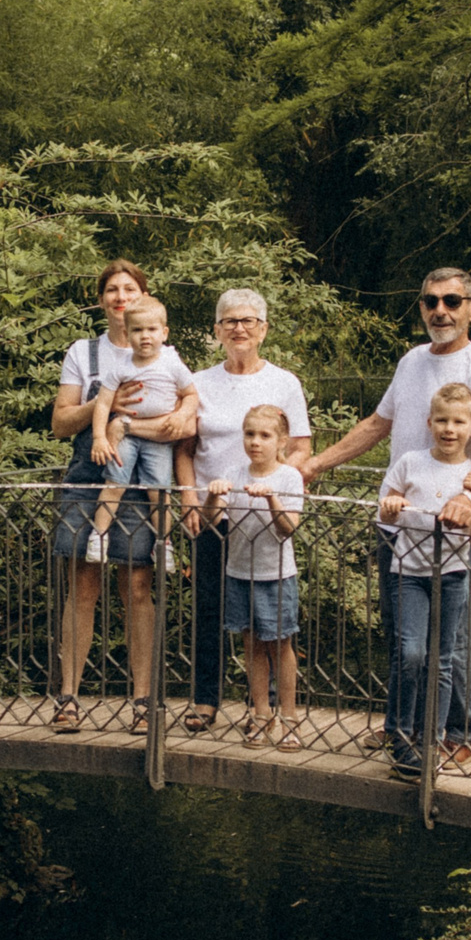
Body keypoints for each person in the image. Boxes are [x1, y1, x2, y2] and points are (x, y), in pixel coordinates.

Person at [291, 266, 471, 746]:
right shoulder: (411, 362)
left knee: (453, 641)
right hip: (398, 523)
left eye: (451, 301)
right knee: (403, 638)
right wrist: (312, 466)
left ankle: (458, 733)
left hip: (450, 529)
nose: (440, 311)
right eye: (431, 301)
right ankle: (401, 728)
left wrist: (468, 498)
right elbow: (376, 424)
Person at [50, 261, 197, 734]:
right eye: (111, 289)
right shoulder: (84, 353)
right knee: (83, 584)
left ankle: (143, 701)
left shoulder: (164, 354)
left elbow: (185, 417)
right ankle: (68, 696)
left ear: (144, 298)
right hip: (90, 474)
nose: (120, 296)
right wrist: (105, 405)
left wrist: (178, 409)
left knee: (137, 588)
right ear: (101, 300)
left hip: (144, 480)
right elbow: (60, 422)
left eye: (129, 288)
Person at [174, 288, 313, 733]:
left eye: (249, 320)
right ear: (216, 330)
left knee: (270, 620)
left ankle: (274, 710)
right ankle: (206, 700)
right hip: (213, 511)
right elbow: (186, 447)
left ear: (264, 329)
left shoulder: (284, 382)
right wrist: (190, 497)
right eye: (230, 321)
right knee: (210, 608)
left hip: (264, 518)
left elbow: (302, 447)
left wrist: (271, 486)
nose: (239, 328)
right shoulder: (200, 382)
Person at [377, 382, 471, 779]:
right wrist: (391, 506)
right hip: (408, 573)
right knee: (409, 653)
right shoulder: (410, 462)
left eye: (459, 422)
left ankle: (430, 740)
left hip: (453, 576)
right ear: (429, 423)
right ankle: (400, 734)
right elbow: (385, 514)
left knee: (442, 661)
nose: (449, 429)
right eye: (442, 420)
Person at [204, 404, 307, 748]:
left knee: (280, 645)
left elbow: (289, 527)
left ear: (281, 441)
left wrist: (272, 498)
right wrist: (212, 494)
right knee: (251, 645)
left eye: (264, 435)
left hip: (275, 575)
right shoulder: (233, 471)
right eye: (250, 434)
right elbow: (210, 520)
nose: (255, 442)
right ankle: (261, 713)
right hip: (239, 572)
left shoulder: (289, 476)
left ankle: (289, 717)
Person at [81, 298, 197, 565]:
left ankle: (163, 542)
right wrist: (99, 436)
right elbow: (103, 402)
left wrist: (181, 414)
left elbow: (191, 394)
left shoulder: (172, 363)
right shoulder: (122, 365)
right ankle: (99, 536)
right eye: (137, 330)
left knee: (159, 490)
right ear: (128, 333)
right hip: (125, 435)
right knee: (115, 484)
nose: (145, 336)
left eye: (152, 330)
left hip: (158, 437)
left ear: (164, 333)